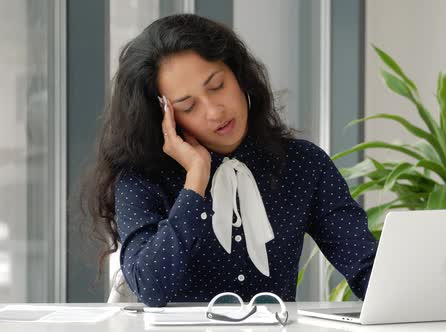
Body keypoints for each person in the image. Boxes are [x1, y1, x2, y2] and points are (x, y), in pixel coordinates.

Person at [83, 13, 376, 307]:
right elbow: (150, 287)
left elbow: (366, 268)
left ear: (239, 76)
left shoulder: (304, 164)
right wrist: (195, 181)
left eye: (217, 86)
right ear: (163, 118)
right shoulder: (141, 177)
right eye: (188, 105)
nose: (215, 111)